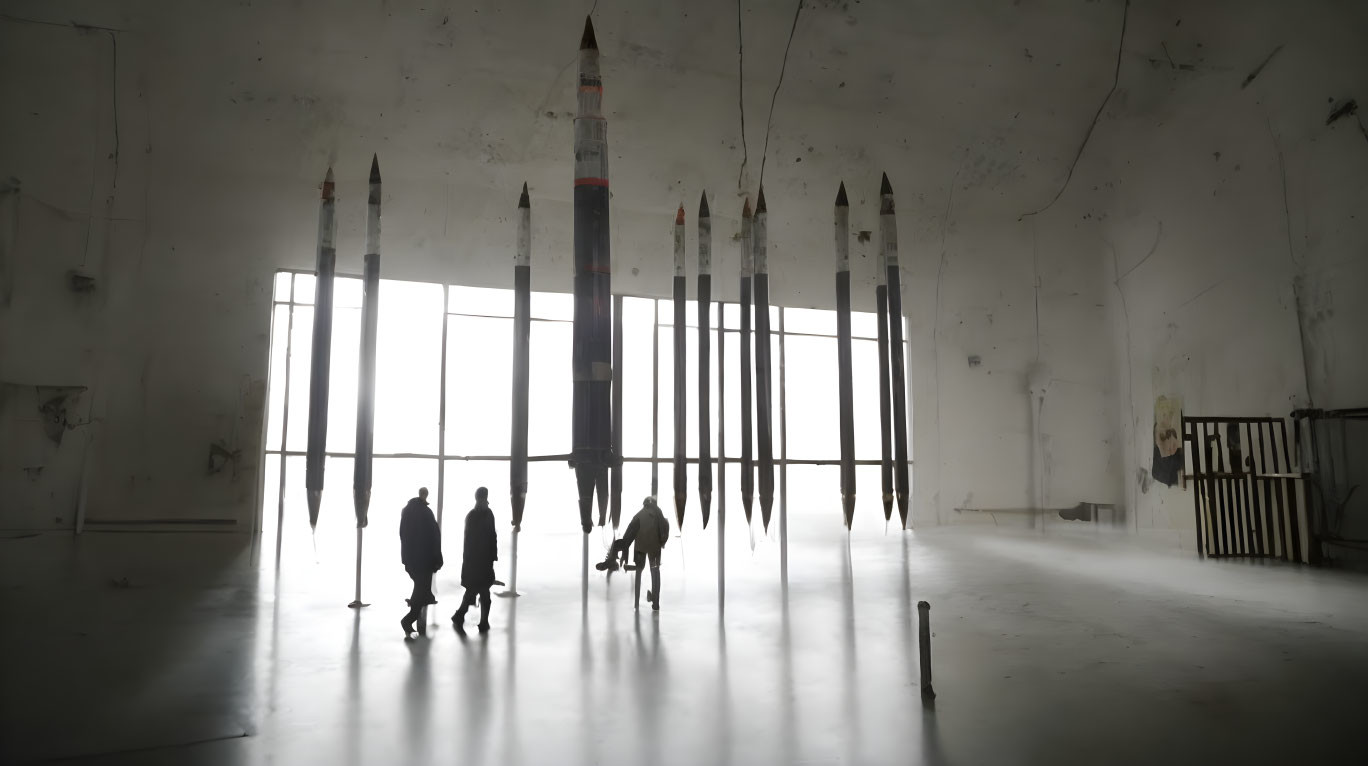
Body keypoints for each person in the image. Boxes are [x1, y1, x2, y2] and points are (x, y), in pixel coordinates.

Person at [596, 496, 669, 610]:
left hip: (640, 548)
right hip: (655, 549)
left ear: (644, 504)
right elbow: (665, 531)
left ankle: (636, 603)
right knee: (655, 572)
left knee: (639, 571)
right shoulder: (661, 516)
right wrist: (661, 543)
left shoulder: (638, 516)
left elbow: (628, 537)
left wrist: (623, 552)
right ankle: (656, 604)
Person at [452, 486, 498, 632]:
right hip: (481, 563)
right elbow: (492, 538)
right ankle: (481, 622)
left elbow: (471, 542)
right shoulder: (487, 514)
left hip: (475, 563)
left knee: (473, 593)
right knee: (482, 595)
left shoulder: (472, 515)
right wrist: (492, 557)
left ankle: (461, 617)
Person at [399, 487, 443, 638]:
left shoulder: (406, 511)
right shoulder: (426, 513)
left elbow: (403, 535)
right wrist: (438, 558)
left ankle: (416, 622)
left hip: (411, 559)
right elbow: (434, 538)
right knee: (422, 591)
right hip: (424, 559)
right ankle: (409, 621)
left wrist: (406, 557)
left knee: (420, 589)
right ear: (425, 495)